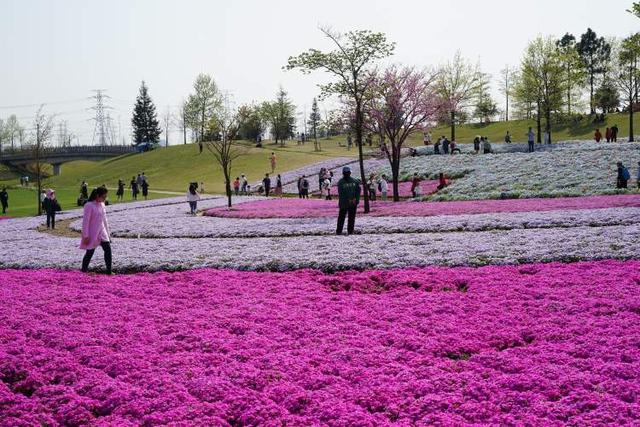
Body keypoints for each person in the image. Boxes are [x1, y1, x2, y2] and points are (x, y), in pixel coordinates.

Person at [80, 186, 112, 275]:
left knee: (108, 250)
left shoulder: (102, 204)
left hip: (102, 232)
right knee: (90, 252)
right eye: (103, 197)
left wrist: (108, 234)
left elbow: (105, 220)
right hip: (93, 233)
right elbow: (85, 222)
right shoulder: (89, 205)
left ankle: (109, 271)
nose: (105, 198)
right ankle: (83, 271)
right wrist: (85, 235)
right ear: (97, 195)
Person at [336, 166, 360, 235]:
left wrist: (355, 199)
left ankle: (346, 231)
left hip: (349, 203)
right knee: (346, 217)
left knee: (348, 217)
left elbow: (357, 191)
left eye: (347, 173)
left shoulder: (353, 181)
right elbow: (341, 193)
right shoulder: (342, 182)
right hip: (347, 203)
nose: (347, 174)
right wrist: (352, 199)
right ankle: (343, 231)